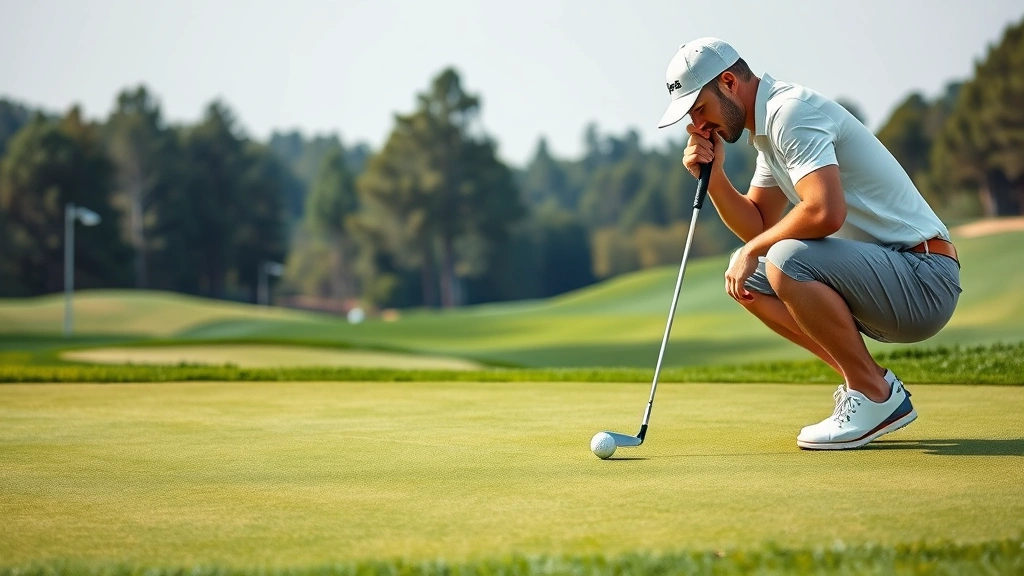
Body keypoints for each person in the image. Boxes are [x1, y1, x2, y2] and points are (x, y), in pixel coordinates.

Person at [656, 38, 962, 450]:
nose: (699, 125)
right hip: (887, 279)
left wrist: (753, 250)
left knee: (782, 258)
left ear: (728, 82)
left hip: (924, 277)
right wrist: (713, 179)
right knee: (751, 281)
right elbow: (759, 223)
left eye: (699, 108)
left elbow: (824, 213)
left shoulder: (790, 113)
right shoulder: (767, 132)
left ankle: (873, 393)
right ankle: (869, 385)